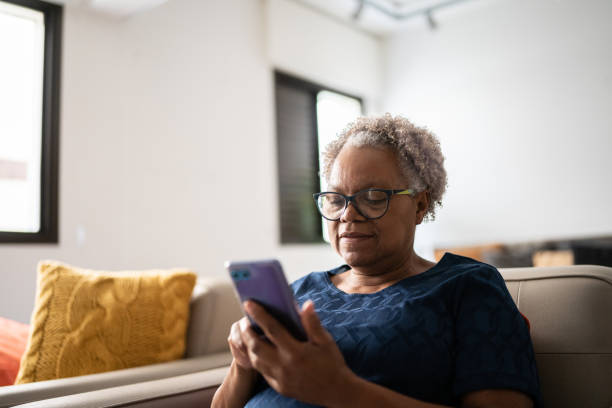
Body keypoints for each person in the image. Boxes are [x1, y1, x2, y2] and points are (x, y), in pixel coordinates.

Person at [212, 114, 540, 408]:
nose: (347, 214)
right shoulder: (297, 293)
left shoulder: (467, 287)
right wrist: (242, 365)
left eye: (372, 198)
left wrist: (341, 391)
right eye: (336, 198)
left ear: (420, 205)